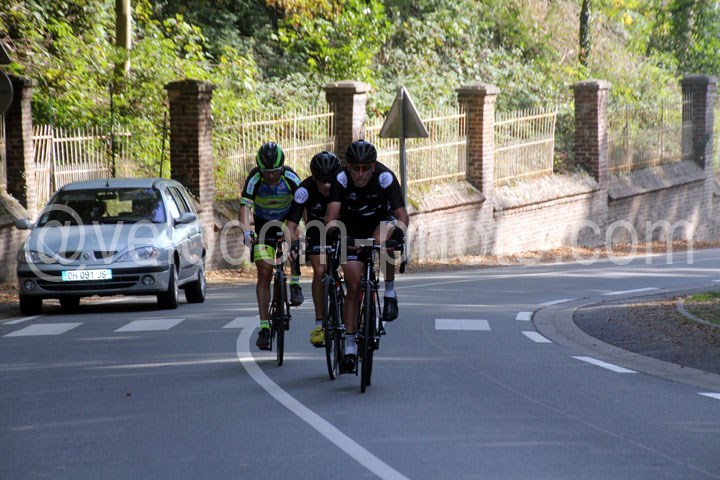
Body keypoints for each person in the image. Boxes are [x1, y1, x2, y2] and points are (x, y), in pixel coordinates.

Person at [324, 140, 409, 373]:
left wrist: (398, 234)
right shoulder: (341, 179)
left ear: (373, 167)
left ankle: (389, 292)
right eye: (356, 168)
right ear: (349, 167)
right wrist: (338, 236)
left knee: (384, 240)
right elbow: (330, 218)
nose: (360, 174)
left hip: (379, 223)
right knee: (352, 288)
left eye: (365, 168)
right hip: (350, 230)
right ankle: (350, 348)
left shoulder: (385, 177)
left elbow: (402, 215)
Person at [239, 142, 304, 350]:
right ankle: (265, 326)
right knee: (264, 273)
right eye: (266, 172)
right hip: (263, 224)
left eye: (275, 172)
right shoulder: (254, 178)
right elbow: (245, 207)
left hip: (287, 219)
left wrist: (310, 228)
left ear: (281, 167)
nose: (271, 176)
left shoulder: (291, 177)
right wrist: (246, 232)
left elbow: (304, 204)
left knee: (293, 238)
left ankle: (295, 283)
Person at [286, 151, 342, 348]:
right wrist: (294, 244)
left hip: (343, 228)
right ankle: (319, 325)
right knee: (319, 270)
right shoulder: (305, 189)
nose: (327, 185)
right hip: (317, 231)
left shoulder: (345, 184)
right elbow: (290, 226)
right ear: (313, 177)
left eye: (330, 180)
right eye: (322, 181)